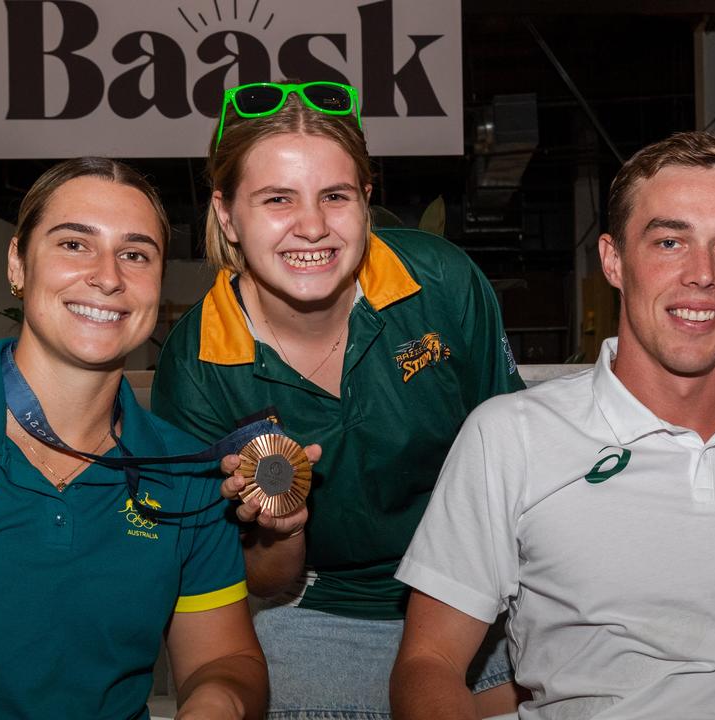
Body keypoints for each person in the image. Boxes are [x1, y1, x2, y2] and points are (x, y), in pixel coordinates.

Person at [391, 130, 715, 719]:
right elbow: (428, 664)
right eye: (668, 241)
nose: (702, 274)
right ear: (613, 259)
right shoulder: (510, 436)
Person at [0, 157, 268, 719]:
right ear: (17, 264)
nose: (108, 276)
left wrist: (218, 701)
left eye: (136, 254)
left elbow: (227, 658)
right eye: (74, 244)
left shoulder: (186, 471)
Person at [150, 81, 525, 718]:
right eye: (277, 199)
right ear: (226, 214)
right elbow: (257, 582)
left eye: (335, 196)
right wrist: (282, 532)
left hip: (480, 594)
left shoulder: (440, 283)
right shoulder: (198, 366)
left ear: (366, 201)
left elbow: (521, 468)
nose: (314, 227)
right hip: (323, 609)